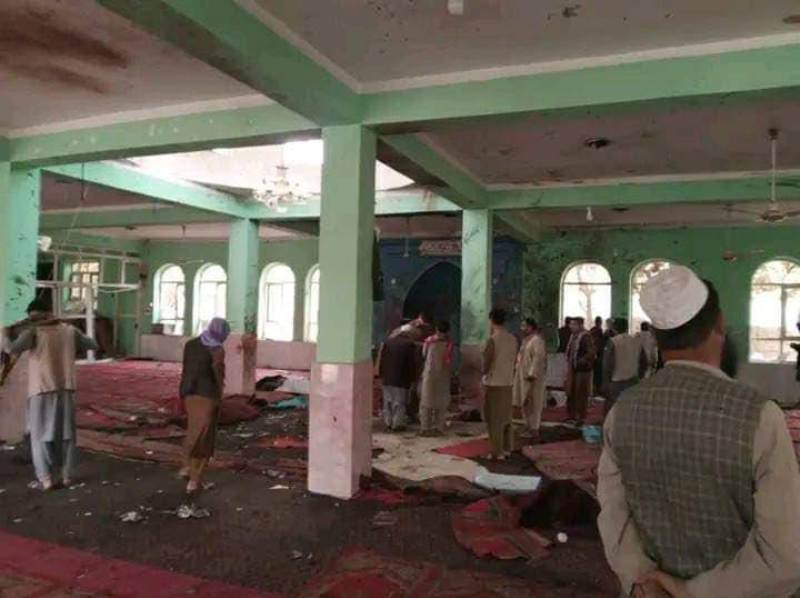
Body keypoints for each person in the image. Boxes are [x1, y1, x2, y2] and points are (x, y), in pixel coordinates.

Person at [598, 266, 800, 598]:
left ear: (656, 336)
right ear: (719, 323)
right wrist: (689, 591)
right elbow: (784, 557)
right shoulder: (760, 416)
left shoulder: (622, 411)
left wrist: (642, 580)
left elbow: (614, 516)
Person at [5, 299, 98, 491]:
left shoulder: (33, 332)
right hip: (66, 389)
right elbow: (93, 344)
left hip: (41, 389)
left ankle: (45, 480)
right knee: (67, 436)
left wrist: (5, 334)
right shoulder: (69, 330)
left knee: (39, 436)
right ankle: (67, 477)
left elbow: (12, 349)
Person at [179, 317, 230, 494]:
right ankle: (194, 480)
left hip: (188, 393)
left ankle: (186, 466)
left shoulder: (191, 344)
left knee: (193, 430)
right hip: (207, 396)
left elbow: (186, 370)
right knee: (204, 438)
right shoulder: (217, 350)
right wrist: (220, 396)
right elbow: (218, 376)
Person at [482, 308, 518, 460]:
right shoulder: (513, 339)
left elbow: (486, 364)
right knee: (506, 417)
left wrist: (482, 373)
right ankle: (507, 447)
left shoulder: (493, 340)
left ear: (491, 321)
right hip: (508, 382)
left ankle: (497, 451)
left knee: (494, 419)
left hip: (494, 383)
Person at [601, 317, 646, 415]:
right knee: (629, 410)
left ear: (614, 329)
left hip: (616, 381)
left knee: (613, 410)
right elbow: (644, 362)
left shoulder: (613, 342)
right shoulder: (637, 341)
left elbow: (608, 365)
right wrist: (640, 376)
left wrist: (605, 383)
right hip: (633, 380)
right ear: (627, 327)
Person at [512, 318, 548, 440]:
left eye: (524, 326)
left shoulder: (537, 340)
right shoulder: (526, 341)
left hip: (533, 378)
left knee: (534, 403)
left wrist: (532, 374)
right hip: (522, 376)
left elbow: (538, 359)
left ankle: (534, 429)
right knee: (525, 402)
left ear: (531, 327)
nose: (522, 328)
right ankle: (527, 426)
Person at [377, 330, 419, 432]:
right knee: (399, 403)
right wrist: (413, 378)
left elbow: (382, 359)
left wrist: (380, 375)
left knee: (388, 401)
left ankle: (388, 423)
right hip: (401, 378)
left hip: (387, 378)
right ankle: (397, 424)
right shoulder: (409, 345)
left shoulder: (387, 342)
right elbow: (411, 364)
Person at [418, 321, 453, 437]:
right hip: (443, 375)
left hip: (429, 375)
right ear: (448, 331)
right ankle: (439, 428)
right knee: (441, 402)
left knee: (426, 401)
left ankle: (425, 428)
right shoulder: (449, 343)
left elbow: (423, 355)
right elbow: (449, 360)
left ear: (436, 329)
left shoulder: (429, 341)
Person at [565, 316, 595, 426]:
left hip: (582, 370)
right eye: (570, 324)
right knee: (571, 393)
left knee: (580, 394)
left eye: (573, 324)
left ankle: (580, 417)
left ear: (580, 325)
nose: (571, 326)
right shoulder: (573, 336)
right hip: (573, 368)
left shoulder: (586, 336)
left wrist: (581, 360)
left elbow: (591, 353)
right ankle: (572, 415)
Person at [590, 316, 606, 396]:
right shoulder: (599, 331)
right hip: (598, 355)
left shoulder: (592, 330)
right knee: (598, 374)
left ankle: (593, 390)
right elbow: (601, 343)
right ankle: (596, 390)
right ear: (599, 322)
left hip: (592, 354)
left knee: (594, 373)